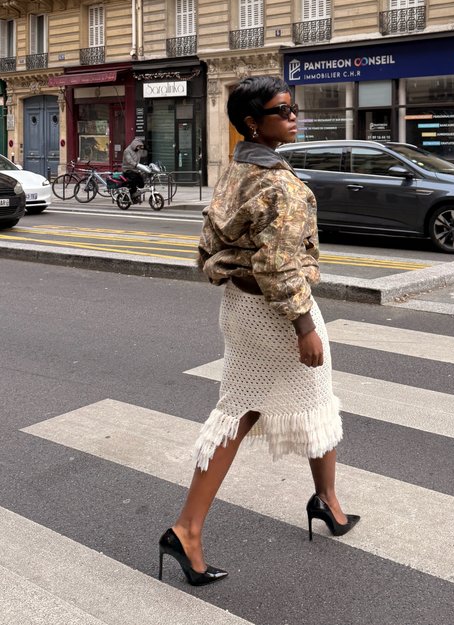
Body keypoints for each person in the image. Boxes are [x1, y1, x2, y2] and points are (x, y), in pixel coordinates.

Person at [158, 75, 359, 587]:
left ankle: (327, 501)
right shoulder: (277, 184)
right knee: (252, 407)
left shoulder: (239, 167)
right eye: (282, 110)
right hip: (278, 314)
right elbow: (278, 266)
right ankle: (187, 529)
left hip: (241, 306)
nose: (294, 117)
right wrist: (305, 325)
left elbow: (209, 246)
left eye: (294, 108)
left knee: (283, 400)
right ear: (253, 123)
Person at [121, 137, 147, 203]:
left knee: (141, 182)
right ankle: (132, 194)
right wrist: (135, 164)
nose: (139, 148)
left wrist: (146, 149)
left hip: (135, 169)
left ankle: (136, 194)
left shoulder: (138, 150)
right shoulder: (127, 151)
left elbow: (144, 154)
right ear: (134, 145)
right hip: (127, 169)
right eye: (138, 146)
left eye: (140, 146)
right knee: (134, 179)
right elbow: (129, 160)